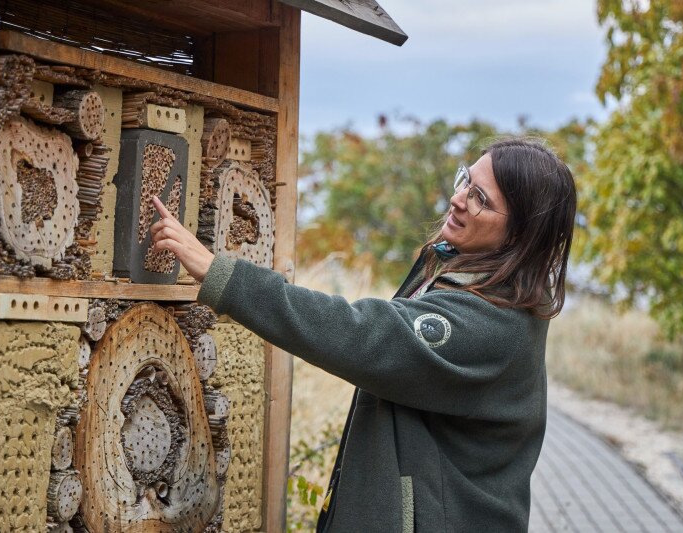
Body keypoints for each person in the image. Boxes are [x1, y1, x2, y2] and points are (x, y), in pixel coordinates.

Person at [150, 137, 577, 532]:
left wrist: (224, 276)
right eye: (466, 180)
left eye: (480, 198)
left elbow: (361, 335)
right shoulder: (479, 285)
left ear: (520, 233)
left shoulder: (489, 325)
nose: (457, 198)